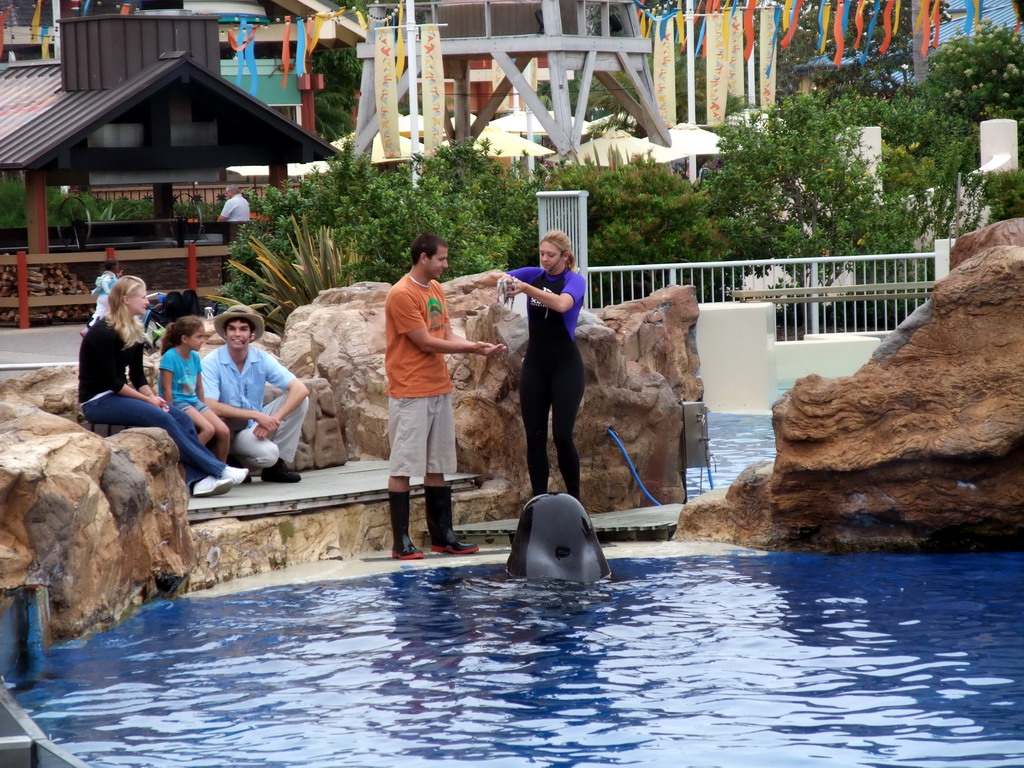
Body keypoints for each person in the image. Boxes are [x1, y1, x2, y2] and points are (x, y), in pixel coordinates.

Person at [385, 233, 507, 559]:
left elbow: (446, 333)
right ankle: (402, 542)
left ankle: (443, 536)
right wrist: (472, 347)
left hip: (439, 388)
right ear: (423, 258)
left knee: (437, 465)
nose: (446, 264)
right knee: (403, 466)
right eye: (441, 258)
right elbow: (425, 341)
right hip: (410, 391)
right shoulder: (402, 294)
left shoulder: (435, 289)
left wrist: (478, 345)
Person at [78, 276, 249, 497]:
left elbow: (138, 377)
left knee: (182, 417)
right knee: (162, 418)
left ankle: (197, 481)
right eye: (143, 296)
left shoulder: (136, 331)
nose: (147, 301)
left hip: (116, 396)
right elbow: (113, 382)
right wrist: (149, 401)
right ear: (127, 299)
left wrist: (152, 396)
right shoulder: (102, 332)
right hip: (98, 400)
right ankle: (218, 469)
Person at [485, 230, 586, 501]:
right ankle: (539, 501)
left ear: (565, 256)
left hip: (566, 367)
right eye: (542, 253)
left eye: (551, 255)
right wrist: (502, 279)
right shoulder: (533, 273)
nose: (545, 259)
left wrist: (527, 289)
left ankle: (576, 501)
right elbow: (494, 276)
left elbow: (563, 305)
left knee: (562, 435)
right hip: (536, 366)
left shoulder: (574, 281)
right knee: (535, 438)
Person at [201, 305, 309, 483]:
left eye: (243, 329)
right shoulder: (211, 362)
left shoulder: (261, 358)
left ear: (251, 334)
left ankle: (275, 467)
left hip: (253, 427)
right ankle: (230, 459)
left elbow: (300, 388)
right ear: (225, 333)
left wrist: (273, 418)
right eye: (232, 329)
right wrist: (257, 415)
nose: (237, 334)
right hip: (228, 430)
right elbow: (210, 405)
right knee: (268, 454)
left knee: (302, 400)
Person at [159, 315, 231, 462]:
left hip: (194, 402)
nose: (202, 340)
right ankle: (187, 459)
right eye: (199, 337)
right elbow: (166, 389)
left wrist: (203, 406)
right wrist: (171, 413)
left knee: (223, 431)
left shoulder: (195, 357)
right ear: (185, 339)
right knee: (208, 429)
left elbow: (199, 387)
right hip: (179, 402)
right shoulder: (170, 357)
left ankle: (221, 469)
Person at [82, 257, 120, 336]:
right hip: (108, 298)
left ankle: (88, 329)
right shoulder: (110, 276)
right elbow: (104, 282)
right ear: (113, 267)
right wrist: (108, 292)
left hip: (101, 297)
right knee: (117, 312)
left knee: (99, 314)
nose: (118, 267)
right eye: (117, 265)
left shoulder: (107, 274)